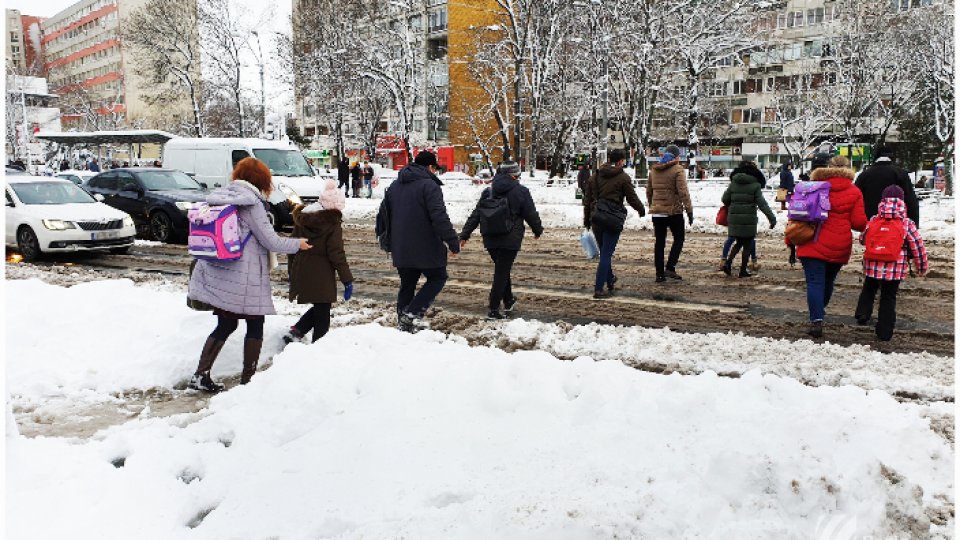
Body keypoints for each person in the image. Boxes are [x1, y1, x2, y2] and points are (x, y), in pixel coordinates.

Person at [186, 157, 313, 392]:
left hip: (221, 271)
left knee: (226, 323)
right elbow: (271, 241)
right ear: (262, 180)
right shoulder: (251, 204)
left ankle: (200, 375)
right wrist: (299, 244)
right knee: (255, 324)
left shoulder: (221, 197)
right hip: (244, 277)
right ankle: (249, 382)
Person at [376, 150, 460, 332]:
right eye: (435, 169)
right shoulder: (429, 186)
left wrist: (386, 239)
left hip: (400, 246)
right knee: (438, 277)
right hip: (426, 246)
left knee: (407, 283)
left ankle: (403, 321)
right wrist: (453, 242)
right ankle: (412, 314)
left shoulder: (395, 185)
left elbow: (383, 216)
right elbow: (439, 217)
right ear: (430, 167)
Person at [788, 155, 867, 338]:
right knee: (828, 282)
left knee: (815, 282)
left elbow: (797, 214)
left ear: (828, 167)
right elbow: (858, 223)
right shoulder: (854, 191)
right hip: (839, 244)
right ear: (849, 169)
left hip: (811, 239)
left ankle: (816, 319)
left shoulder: (814, 186)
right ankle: (818, 311)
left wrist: (790, 239)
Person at [458, 161, 544, 319]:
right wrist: (537, 230)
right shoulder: (521, 191)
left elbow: (476, 214)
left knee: (502, 269)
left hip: (490, 236)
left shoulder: (489, 191)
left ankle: (509, 300)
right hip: (510, 237)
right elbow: (530, 213)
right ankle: (493, 309)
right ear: (512, 175)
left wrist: (464, 234)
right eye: (517, 174)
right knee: (501, 272)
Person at [854, 185, 928, 342]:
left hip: (873, 262)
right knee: (888, 296)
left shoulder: (874, 219)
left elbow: (862, 239)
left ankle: (863, 313)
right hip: (895, 266)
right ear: (902, 201)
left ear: (883, 201)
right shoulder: (907, 223)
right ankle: (884, 331)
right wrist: (921, 267)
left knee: (869, 287)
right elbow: (917, 247)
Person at [285, 179, 353, 343]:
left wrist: (291, 269)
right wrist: (347, 280)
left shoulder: (303, 218)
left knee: (321, 306)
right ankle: (318, 346)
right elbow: (336, 253)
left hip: (302, 267)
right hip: (321, 271)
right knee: (323, 310)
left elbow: (292, 246)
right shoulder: (332, 223)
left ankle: (297, 331)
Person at [582, 148, 645, 298]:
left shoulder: (595, 176)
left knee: (604, 251)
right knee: (606, 255)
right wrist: (641, 210)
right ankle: (598, 288)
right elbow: (632, 198)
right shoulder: (623, 177)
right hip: (612, 219)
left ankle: (609, 279)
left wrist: (587, 220)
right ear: (620, 161)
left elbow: (587, 201)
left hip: (596, 217)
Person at [721, 160, 776, 278]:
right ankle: (742, 271)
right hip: (749, 219)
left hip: (734, 217)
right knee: (747, 245)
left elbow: (725, 199)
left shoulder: (734, 183)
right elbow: (762, 204)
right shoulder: (755, 185)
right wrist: (772, 219)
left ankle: (728, 263)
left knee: (738, 242)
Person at [646, 143, 693, 282]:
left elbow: (649, 192)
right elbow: (683, 192)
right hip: (674, 212)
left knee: (659, 242)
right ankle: (670, 267)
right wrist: (689, 210)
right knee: (679, 239)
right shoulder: (678, 169)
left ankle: (659, 274)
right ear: (677, 156)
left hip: (657, 213)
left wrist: (653, 205)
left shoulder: (654, 170)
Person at [854, 147, 919, 226]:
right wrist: (914, 223)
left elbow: (856, 198)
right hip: (896, 223)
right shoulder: (900, 174)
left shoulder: (865, 175)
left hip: (870, 223)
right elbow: (910, 200)